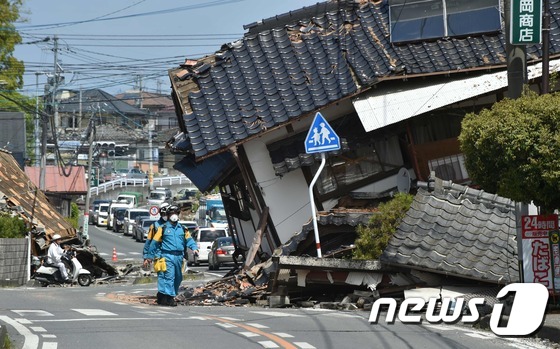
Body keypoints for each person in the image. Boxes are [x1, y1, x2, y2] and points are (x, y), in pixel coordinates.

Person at [148, 205, 198, 306]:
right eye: (171, 214)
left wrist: (194, 248)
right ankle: (170, 298)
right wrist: (149, 256)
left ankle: (167, 295)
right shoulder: (163, 228)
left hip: (179, 256)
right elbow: (154, 243)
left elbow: (189, 240)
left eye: (176, 213)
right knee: (169, 277)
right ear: (168, 215)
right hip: (167, 256)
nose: (174, 216)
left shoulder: (183, 229)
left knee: (178, 277)